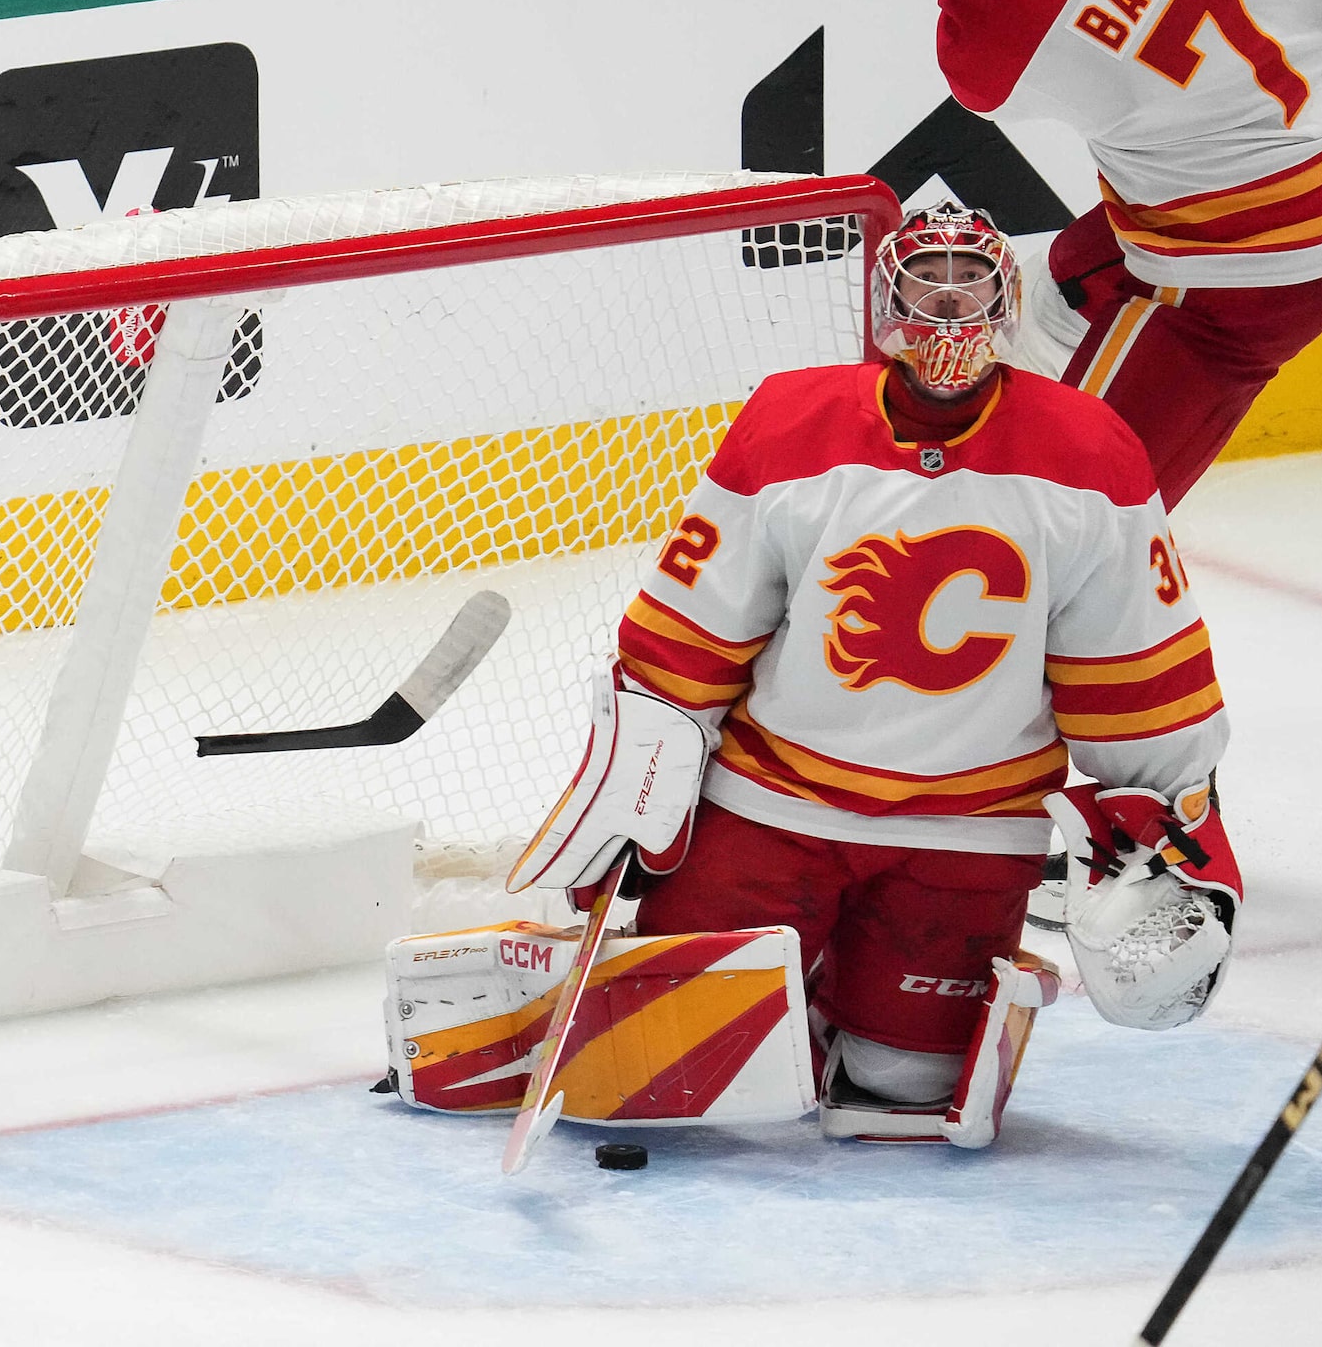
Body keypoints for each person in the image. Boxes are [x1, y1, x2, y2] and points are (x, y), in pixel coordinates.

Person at [513, 202, 1240, 1146]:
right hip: (772, 803)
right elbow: (690, 634)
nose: (946, 307)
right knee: (673, 1066)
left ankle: (844, 997)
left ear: (1005, 301)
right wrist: (629, 789)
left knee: (901, 1089)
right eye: (923, 282)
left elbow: (1136, 670)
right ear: (884, 300)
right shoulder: (790, 420)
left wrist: (1178, 816)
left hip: (969, 830)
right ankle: (806, 987)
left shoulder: (1089, 452)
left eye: (968, 282)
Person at [874, 0, 1322, 508]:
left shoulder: (989, 52)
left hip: (1246, 273)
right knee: (1067, 279)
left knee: (1073, 507)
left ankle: (1014, 522)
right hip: (1298, 176)